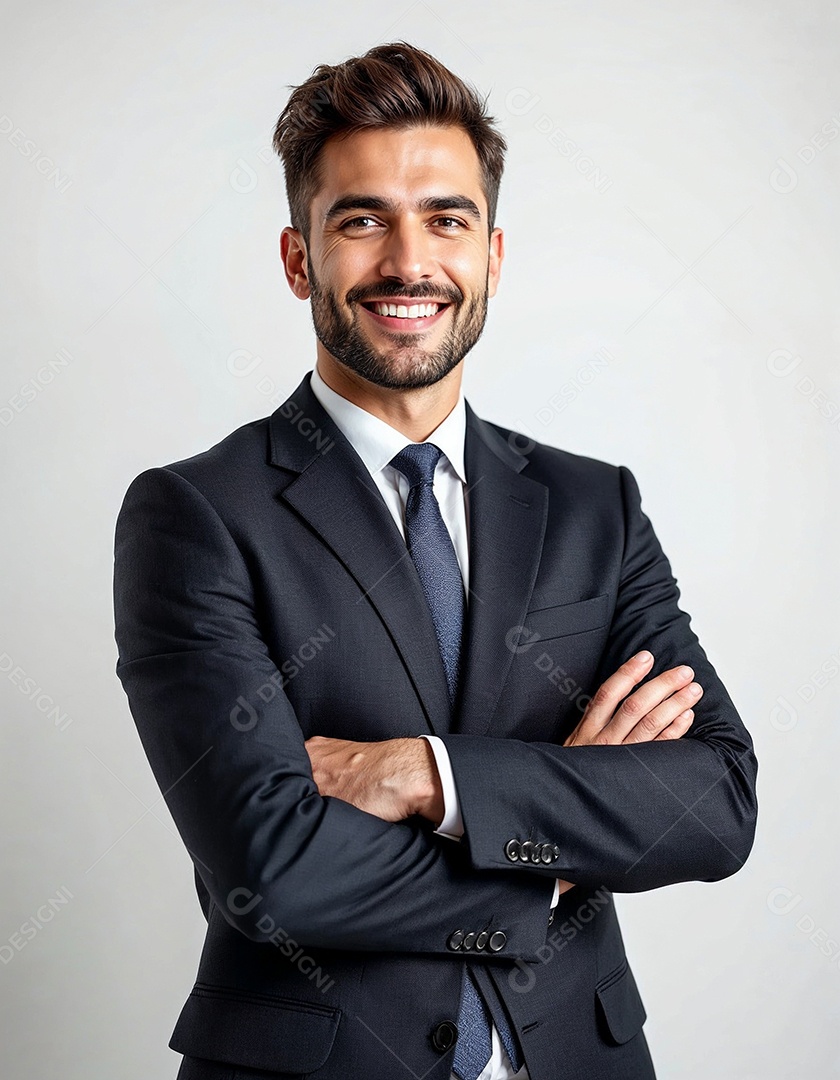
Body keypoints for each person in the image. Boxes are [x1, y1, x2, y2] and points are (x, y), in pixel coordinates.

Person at [112, 41, 758, 1080]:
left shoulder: (597, 507)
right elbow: (271, 876)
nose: (409, 262)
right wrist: (551, 857)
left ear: (493, 256)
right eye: (361, 219)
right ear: (298, 258)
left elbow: (714, 804)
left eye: (446, 219)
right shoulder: (195, 515)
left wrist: (427, 776)